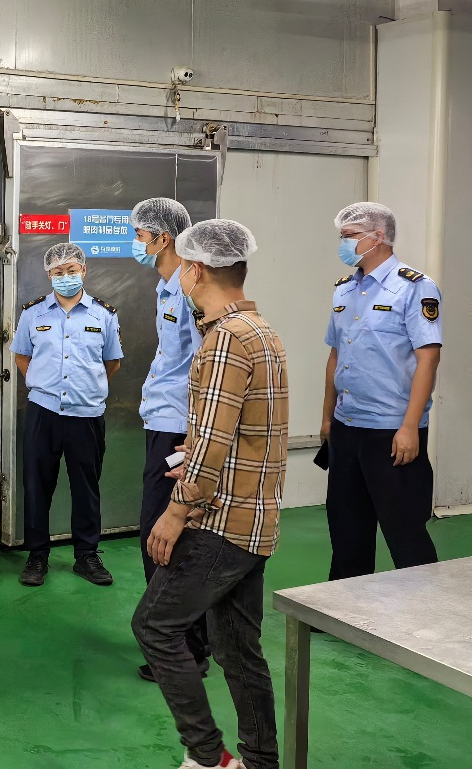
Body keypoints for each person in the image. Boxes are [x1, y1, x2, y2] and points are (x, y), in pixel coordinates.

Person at [133, 220, 287, 769]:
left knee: (155, 626)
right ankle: (260, 761)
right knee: (238, 650)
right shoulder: (260, 331)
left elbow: (216, 440)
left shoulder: (224, 341)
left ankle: (207, 757)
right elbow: (248, 432)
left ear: (195, 270)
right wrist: (196, 452)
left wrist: (175, 513)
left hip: (220, 523)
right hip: (255, 520)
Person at [322, 202, 442, 581]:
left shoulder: (414, 288)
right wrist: (327, 418)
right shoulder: (345, 290)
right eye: (342, 236)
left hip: (391, 430)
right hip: (347, 426)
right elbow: (335, 356)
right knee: (347, 530)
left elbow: (428, 359)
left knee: (405, 531)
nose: (343, 243)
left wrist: (410, 427)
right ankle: (345, 603)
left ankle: (426, 605)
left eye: (350, 236)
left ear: (378, 237)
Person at [129, 197, 210, 684]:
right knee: (160, 532)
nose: (135, 243)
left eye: (140, 235)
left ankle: (184, 649)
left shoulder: (189, 288)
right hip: (161, 418)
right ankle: (184, 639)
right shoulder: (166, 287)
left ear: (163, 238)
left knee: (165, 534)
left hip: (179, 426)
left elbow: (205, 366)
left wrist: (196, 436)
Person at [11, 242, 123, 588]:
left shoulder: (103, 315)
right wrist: (44, 385)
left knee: (86, 487)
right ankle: (37, 556)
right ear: (49, 275)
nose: (65, 277)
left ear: (83, 271)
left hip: (86, 414)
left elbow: (112, 362)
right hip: (43, 412)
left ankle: (86, 555)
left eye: (71, 271)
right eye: (58, 272)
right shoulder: (33, 314)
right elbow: (21, 356)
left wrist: (85, 388)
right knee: (37, 486)